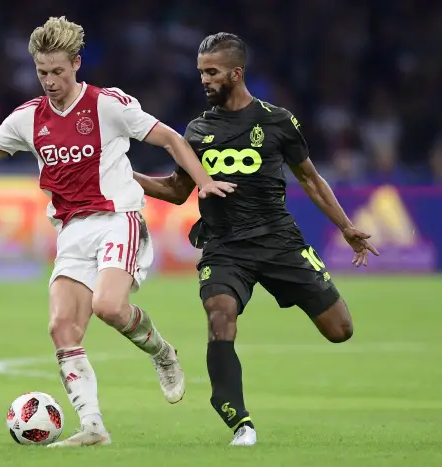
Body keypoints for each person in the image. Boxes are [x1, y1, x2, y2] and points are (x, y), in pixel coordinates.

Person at [0, 17, 235, 448]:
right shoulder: (28, 118)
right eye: (42, 72)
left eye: (58, 72)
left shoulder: (108, 105)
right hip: (71, 230)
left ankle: (162, 353)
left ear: (76, 64)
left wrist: (203, 182)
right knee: (62, 327)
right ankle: (94, 427)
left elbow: (172, 139)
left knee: (110, 307)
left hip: (119, 218)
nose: (50, 81)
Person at [133, 33, 379, 447]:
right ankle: (238, 421)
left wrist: (345, 226)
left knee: (340, 329)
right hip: (225, 246)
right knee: (219, 313)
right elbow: (177, 191)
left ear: (236, 73)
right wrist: (124, 176)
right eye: (201, 73)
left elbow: (312, 181)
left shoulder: (277, 121)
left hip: (279, 241)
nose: (204, 80)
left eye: (212, 73)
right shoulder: (197, 129)